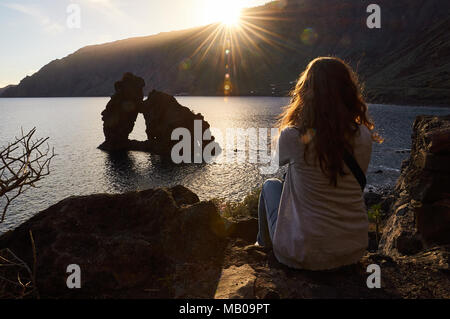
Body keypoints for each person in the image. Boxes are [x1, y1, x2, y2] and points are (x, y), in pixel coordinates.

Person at [257, 57, 382, 270]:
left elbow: (275, 161)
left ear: (306, 92)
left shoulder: (294, 135)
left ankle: (263, 245)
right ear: (348, 92)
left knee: (271, 185)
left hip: (302, 253)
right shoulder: (363, 135)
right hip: (351, 251)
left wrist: (295, 119)